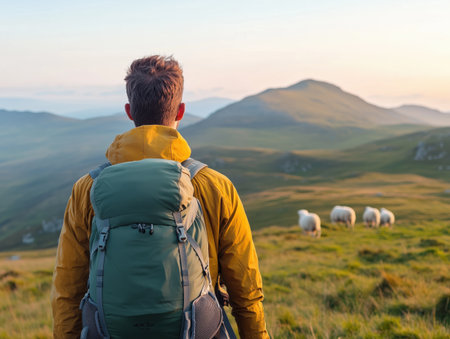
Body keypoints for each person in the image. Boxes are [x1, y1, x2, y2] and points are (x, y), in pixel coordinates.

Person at [51, 55, 269, 339]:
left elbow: (68, 288)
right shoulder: (214, 185)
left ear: (129, 111)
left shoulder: (88, 188)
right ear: (180, 111)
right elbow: (246, 289)